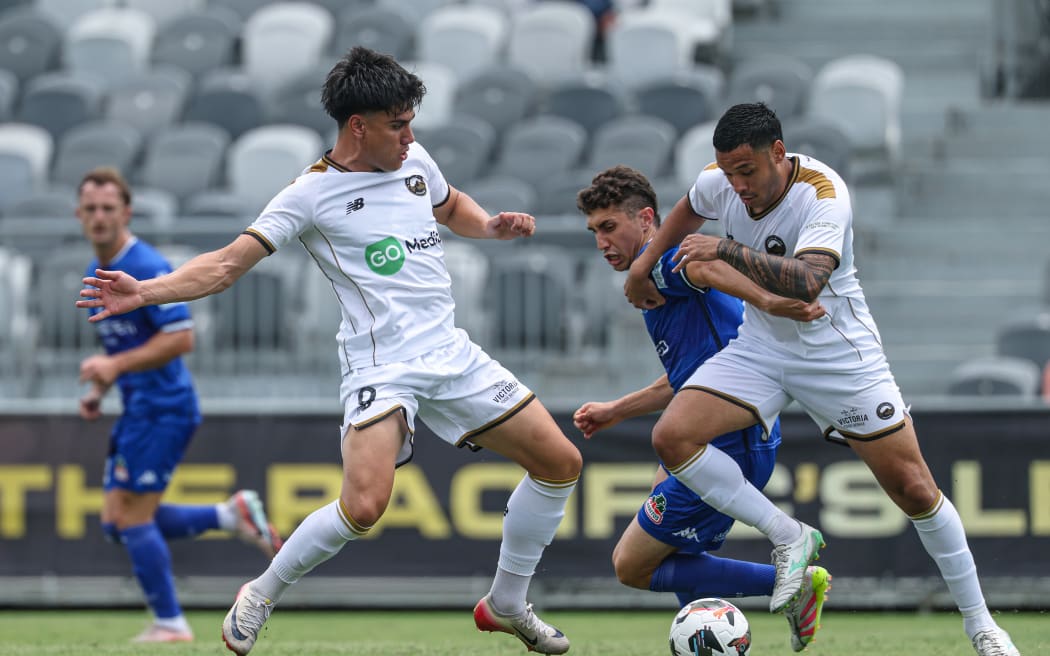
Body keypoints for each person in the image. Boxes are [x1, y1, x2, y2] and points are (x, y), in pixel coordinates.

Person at [77, 48, 582, 656]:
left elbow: (451, 206)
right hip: (381, 364)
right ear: (357, 127)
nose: (410, 135)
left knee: (560, 463)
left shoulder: (414, 158)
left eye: (411, 121)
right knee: (365, 506)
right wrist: (146, 292)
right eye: (397, 124)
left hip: (450, 353)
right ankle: (260, 591)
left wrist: (490, 227)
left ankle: (506, 602)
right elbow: (226, 265)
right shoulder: (309, 194)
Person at [622, 102, 1021, 656]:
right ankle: (789, 536)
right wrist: (643, 267)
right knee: (671, 436)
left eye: (747, 172)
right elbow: (688, 209)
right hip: (761, 347)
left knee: (915, 489)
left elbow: (808, 283)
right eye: (728, 172)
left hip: (836, 351)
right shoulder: (720, 182)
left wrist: (725, 248)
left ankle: (982, 627)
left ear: (778, 155)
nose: (736, 186)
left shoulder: (823, 194)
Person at [573, 165, 829, 652]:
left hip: (724, 441)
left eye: (609, 227)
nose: (602, 241)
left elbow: (707, 266)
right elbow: (686, 380)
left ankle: (796, 579)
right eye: (594, 232)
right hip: (723, 432)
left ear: (646, 218)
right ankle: (717, 636)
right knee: (678, 554)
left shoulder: (663, 261)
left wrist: (769, 302)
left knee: (632, 565)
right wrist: (616, 411)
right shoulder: (651, 281)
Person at [74, 167, 283, 644]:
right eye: (91, 209)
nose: (99, 217)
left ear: (125, 213)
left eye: (109, 208)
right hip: (139, 408)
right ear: (79, 215)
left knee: (131, 518)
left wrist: (114, 368)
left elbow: (181, 338)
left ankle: (170, 623)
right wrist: (100, 388)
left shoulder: (143, 264)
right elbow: (123, 344)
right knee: (115, 522)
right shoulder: (97, 271)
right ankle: (228, 516)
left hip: (164, 407)